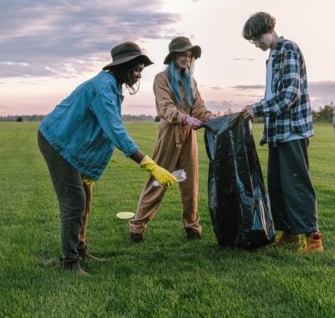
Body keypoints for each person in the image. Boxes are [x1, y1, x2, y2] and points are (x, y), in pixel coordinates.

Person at [38, 42, 177, 275]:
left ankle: (80, 247)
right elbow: (115, 131)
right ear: (122, 66)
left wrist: (88, 169)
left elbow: (97, 132)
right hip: (57, 142)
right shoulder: (103, 88)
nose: (139, 73)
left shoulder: (112, 87)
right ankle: (69, 262)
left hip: (71, 144)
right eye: (136, 68)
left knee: (86, 196)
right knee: (74, 203)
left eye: (141, 69)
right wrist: (150, 165)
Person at [240, 12, 322, 252]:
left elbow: (290, 94)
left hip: (293, 130)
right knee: (277, 185)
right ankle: (289, 232)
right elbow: (273, 95)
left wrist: (257, 109)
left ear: (269, 29)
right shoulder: (272, 57)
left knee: (296, 184)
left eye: (256, 39)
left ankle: (313, 236)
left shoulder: (288, 49)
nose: (256, 44)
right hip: (277, 132)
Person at [129, 36, 213, 242]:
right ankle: (137, 227)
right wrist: (184, 117)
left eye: (190, 55)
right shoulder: (161, 79)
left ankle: (192, 226)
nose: (187, 58)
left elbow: (199, 106)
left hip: (188, 136)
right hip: (169, 133)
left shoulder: (191, 81)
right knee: (159, 180)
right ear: (174, 56)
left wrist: (209, 117)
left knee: (189, 181)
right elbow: (165, 106)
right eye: (183, 54)